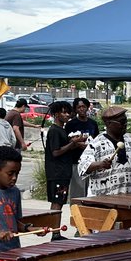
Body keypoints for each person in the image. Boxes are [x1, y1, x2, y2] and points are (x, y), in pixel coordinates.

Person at [77, 105, 131, 196]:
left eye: (126, 121)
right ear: (108, 124)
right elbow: (82, 166)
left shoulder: (129, 141)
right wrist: (100, 164)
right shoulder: (97, 144)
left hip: (127, 196)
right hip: (102, 199)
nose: (125, 124)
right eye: (122, 122)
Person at [44, 100, 85, 235]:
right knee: (57, 203)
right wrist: (72, 144)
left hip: (62, 173)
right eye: (64, 112)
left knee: (59, 202)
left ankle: (56, 232)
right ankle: (55, 233)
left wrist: (75, 142)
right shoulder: (55, 131)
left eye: (68, 112)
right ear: (56, 114)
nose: (67, 115)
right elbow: (56, 152)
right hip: (57, 173)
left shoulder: (61, 130)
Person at [65, 98, 100, 199]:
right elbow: (68, 142)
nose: (81, 109)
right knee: (77, 192)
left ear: (88, 107)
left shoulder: (93, 123)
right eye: (79, 107)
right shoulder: (71, 124)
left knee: (90, 192)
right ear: (75, 109)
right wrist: (80, 144)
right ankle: (75, 213)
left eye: (83, 106)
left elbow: (97, 140)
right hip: (77, 162)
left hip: (91, 162)